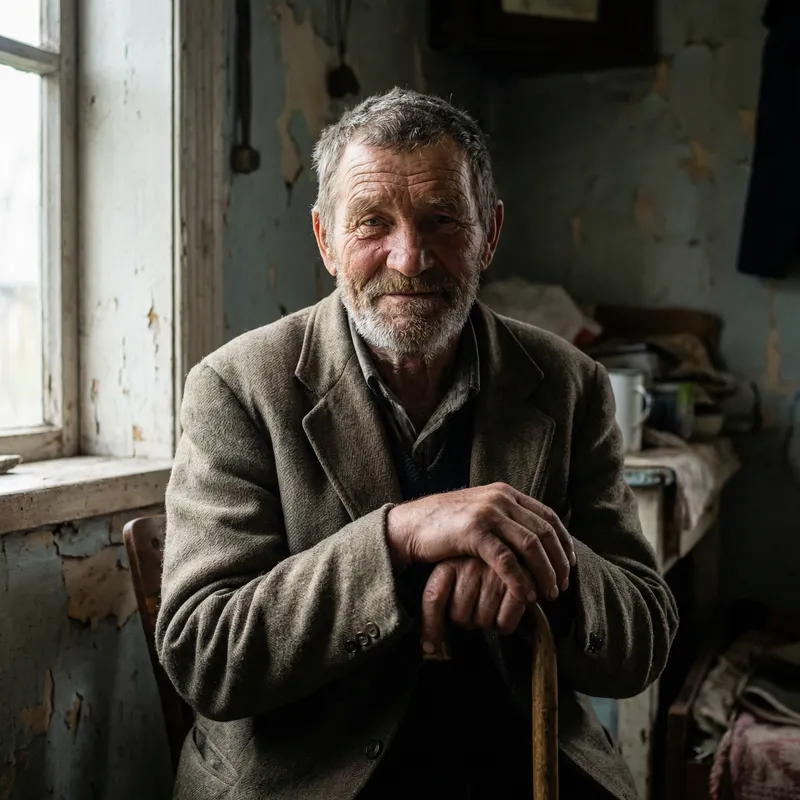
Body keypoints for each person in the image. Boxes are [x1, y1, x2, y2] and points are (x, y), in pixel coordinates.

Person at [156, 87, 679, 799]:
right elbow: (207, 656)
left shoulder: (568, 384)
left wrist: (532, 566)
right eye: (373, 223)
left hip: (520, 767)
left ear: (489, 234)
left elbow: (642, 638)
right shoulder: (236, 388)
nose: (409, 259)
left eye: (442, 221)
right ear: (326, 241)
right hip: (308, 779)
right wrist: (402, 536)